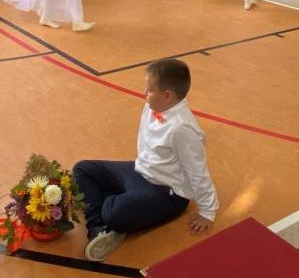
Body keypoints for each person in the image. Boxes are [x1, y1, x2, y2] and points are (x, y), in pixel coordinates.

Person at [73, 59, 219, 262]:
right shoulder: (153, 106)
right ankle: (99, 228)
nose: (144, 93)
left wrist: (208, 210)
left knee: (111, 212)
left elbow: (197, 170)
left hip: (165, 192)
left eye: (149, 90)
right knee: (82, 169)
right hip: (139, 171)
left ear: (167, 96)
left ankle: (103, 218)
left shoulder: (182, 128)